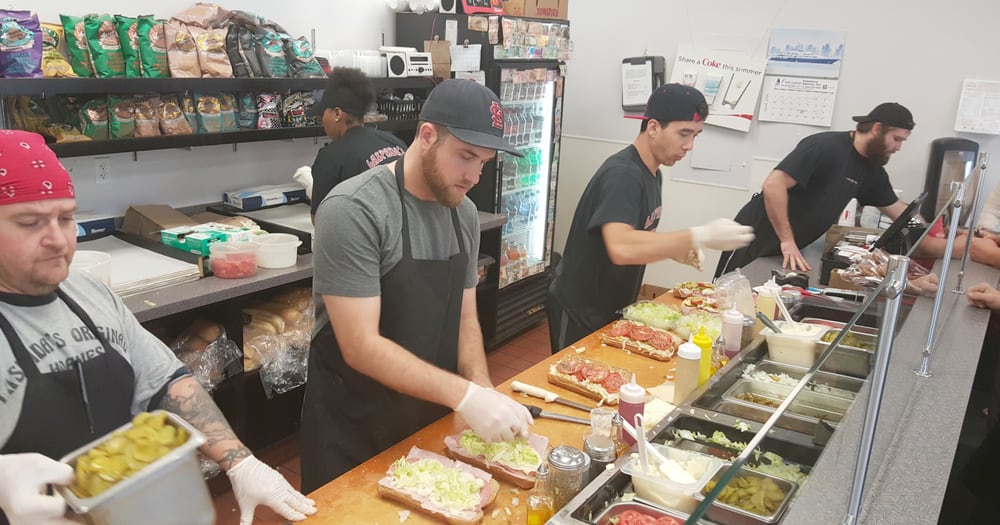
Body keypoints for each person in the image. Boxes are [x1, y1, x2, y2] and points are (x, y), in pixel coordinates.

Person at [0, 131, 315, 525]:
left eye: (66, 218)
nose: (57, 239)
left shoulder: (87, 292)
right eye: (29, 223)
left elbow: (166, 380)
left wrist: (239, 462)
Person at [301, 79, 533, 492]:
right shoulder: (354, 210)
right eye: (465, 156)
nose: (474, 175)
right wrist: (464, 397)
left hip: (425, 422)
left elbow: (465, 321)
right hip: (353, 431)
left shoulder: (462, 215)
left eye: (484, 161)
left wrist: (482, 389)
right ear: (427, 136)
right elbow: (361, 346)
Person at [546, 84, 755, 354]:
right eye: (683, 133)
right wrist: (696, 235)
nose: (689, 146)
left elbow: (630, 231)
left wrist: (675, 250)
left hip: (611, 306)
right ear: (654, 127)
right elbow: (621, 247)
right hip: (580, 308)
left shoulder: (653, 173)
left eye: (695, 135)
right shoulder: (623, 174)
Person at [716, 102, 917, 277]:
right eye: (896, 139)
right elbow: (773, 185)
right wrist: (787, 241)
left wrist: (932, 229)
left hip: (785, 249)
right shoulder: (824, 147)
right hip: (754, 236)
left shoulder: (871, 169)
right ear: (876, 128)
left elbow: (899, 211)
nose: (898, 148)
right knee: (724, 295)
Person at [297, 67, 407, 221]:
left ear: (337, 114)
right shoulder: (395, 143)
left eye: (322, 114)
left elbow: (322, 221)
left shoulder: (331, 157)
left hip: (368, 240)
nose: (322, 122)